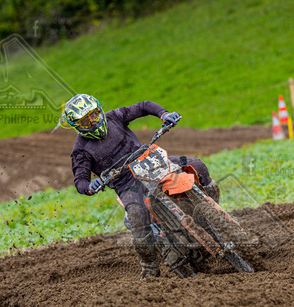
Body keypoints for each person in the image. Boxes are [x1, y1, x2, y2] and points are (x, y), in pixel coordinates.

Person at [54, 94, 220, 280]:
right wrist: (90, 186)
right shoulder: (80, 150)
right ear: (77, 126)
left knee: (197, 165)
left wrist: (164, 114)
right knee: (137, 216)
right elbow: (80, 181)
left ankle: (214, 213)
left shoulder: (114, 117)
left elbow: (143, 106)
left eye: (94, 115)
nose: (93, 122)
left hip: (150, 160)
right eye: (85, 121)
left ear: (99, 110)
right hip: (126, 183)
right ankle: (149, 268)